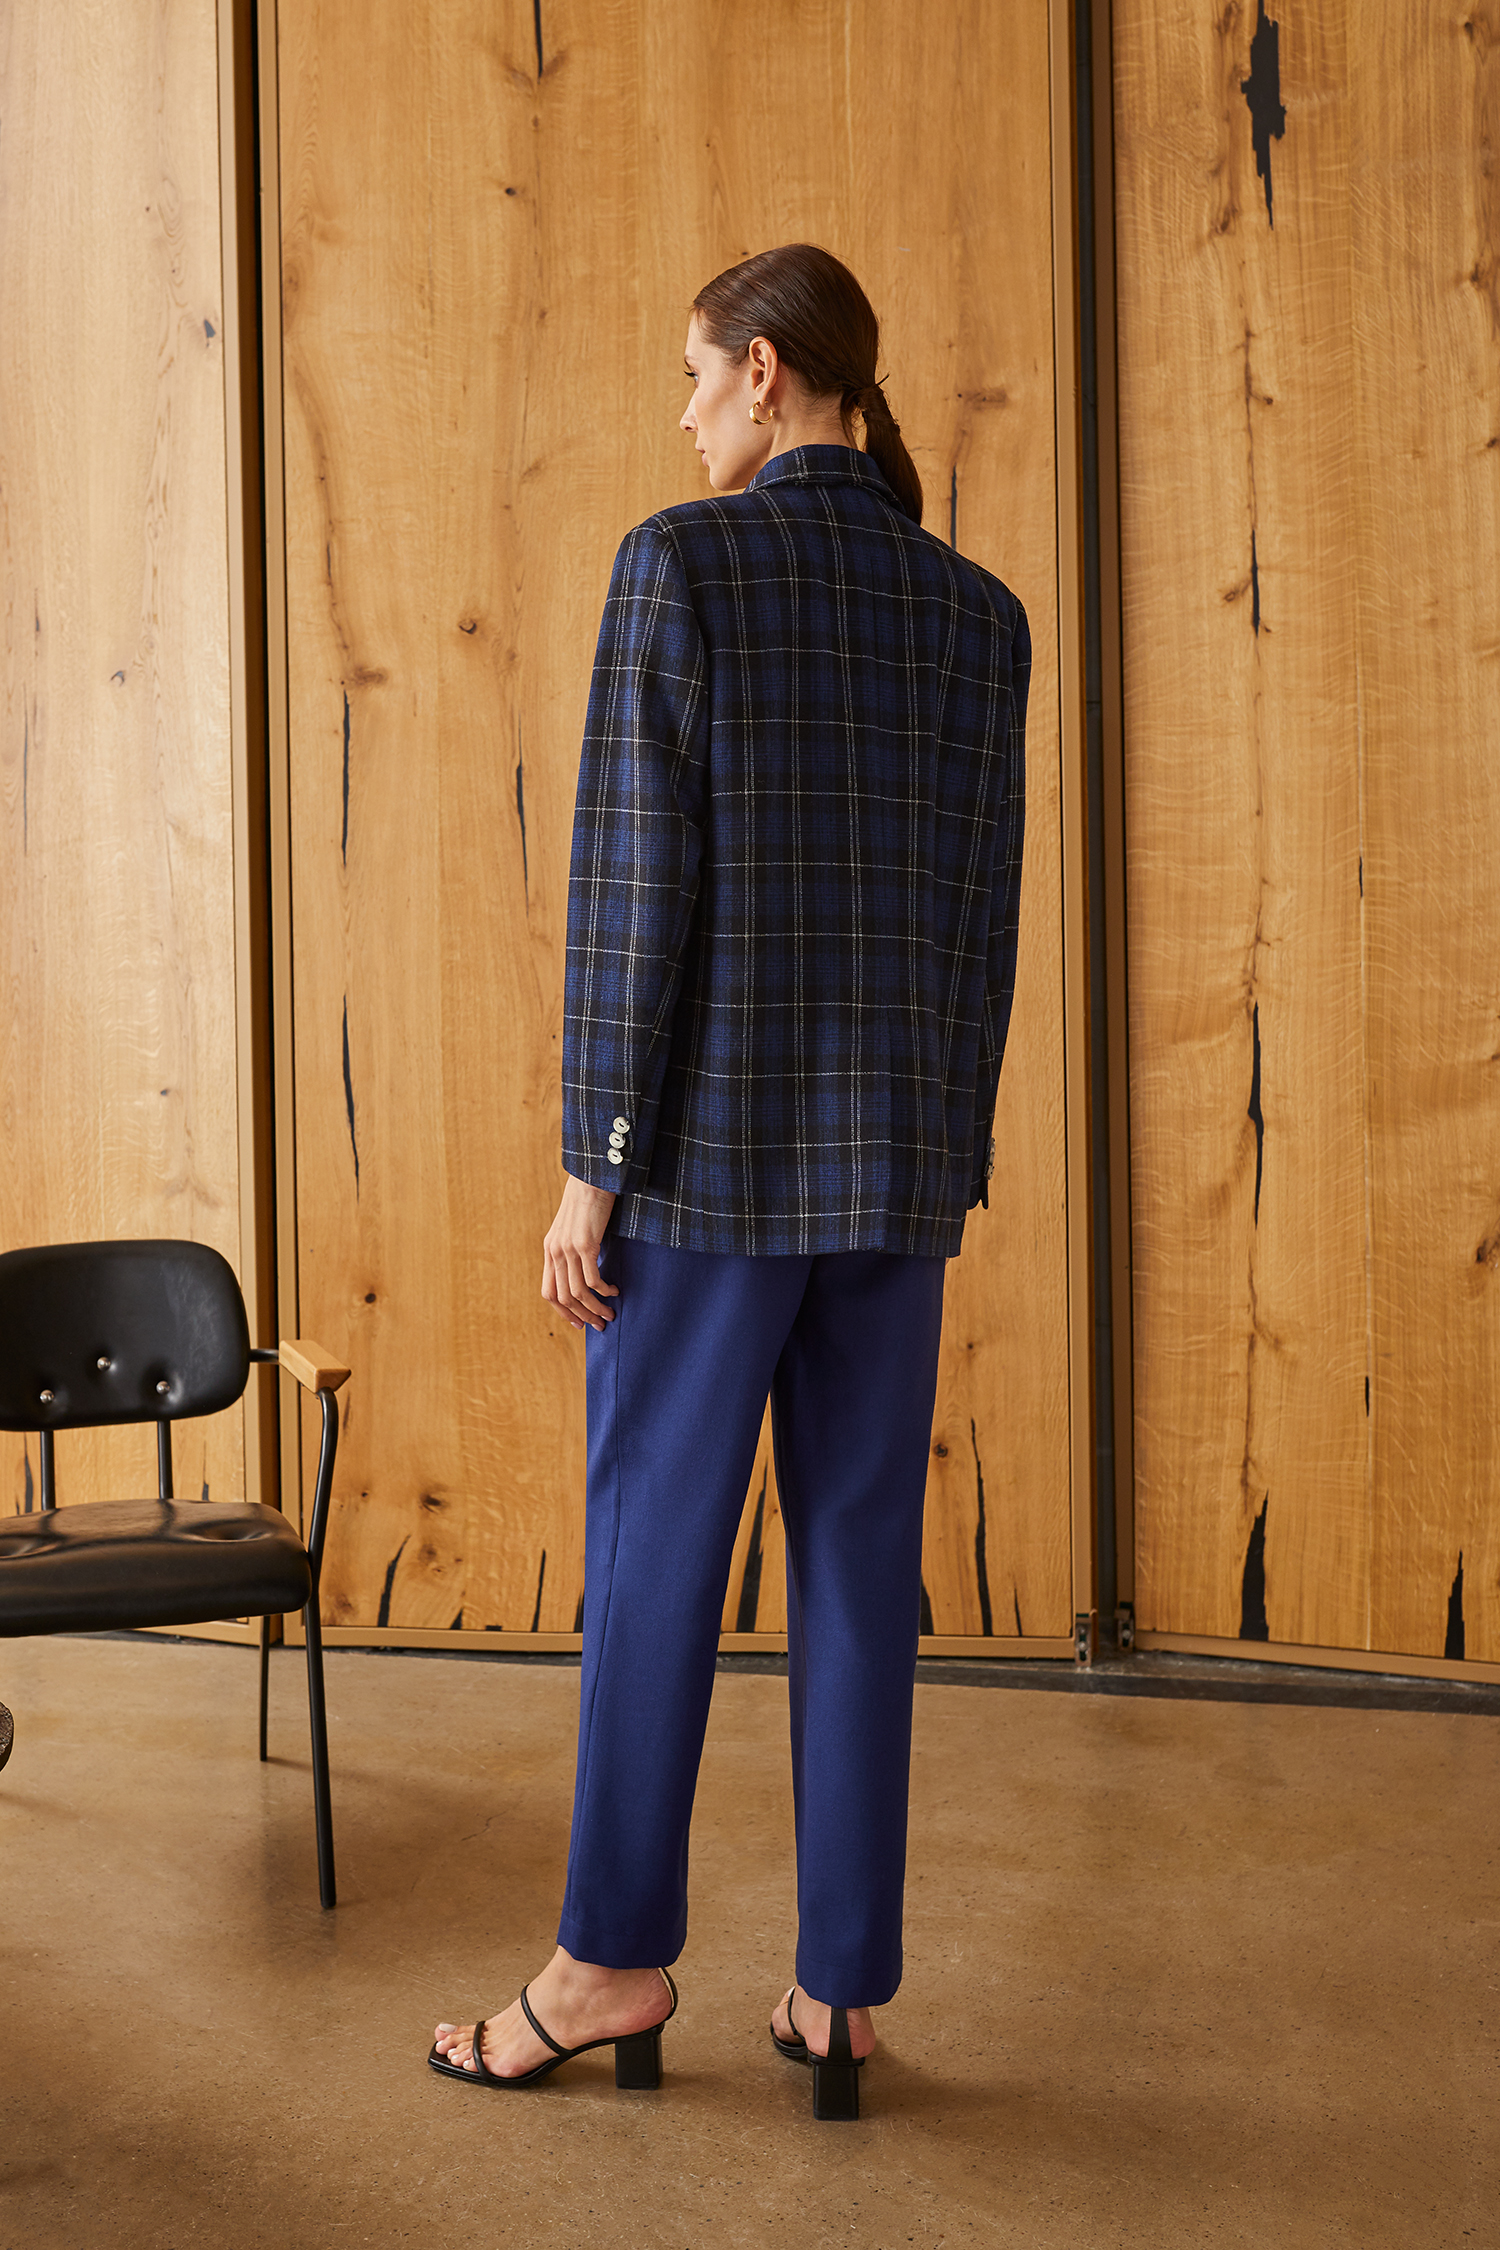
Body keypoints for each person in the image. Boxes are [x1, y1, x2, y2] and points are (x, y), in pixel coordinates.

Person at [431, 243, 1029, 2120]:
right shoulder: (979, 616)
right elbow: (981, 928)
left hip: (702, 1180)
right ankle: (839, 1994)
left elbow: (635, 896)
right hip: (892, 1183)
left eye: (695, 376)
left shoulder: (680, 566)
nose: (684, 414)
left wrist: (589, 1173)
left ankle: (605, 1962)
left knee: (654, 1565)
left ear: (768, 375)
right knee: (859, 1568)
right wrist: (937, 1157)